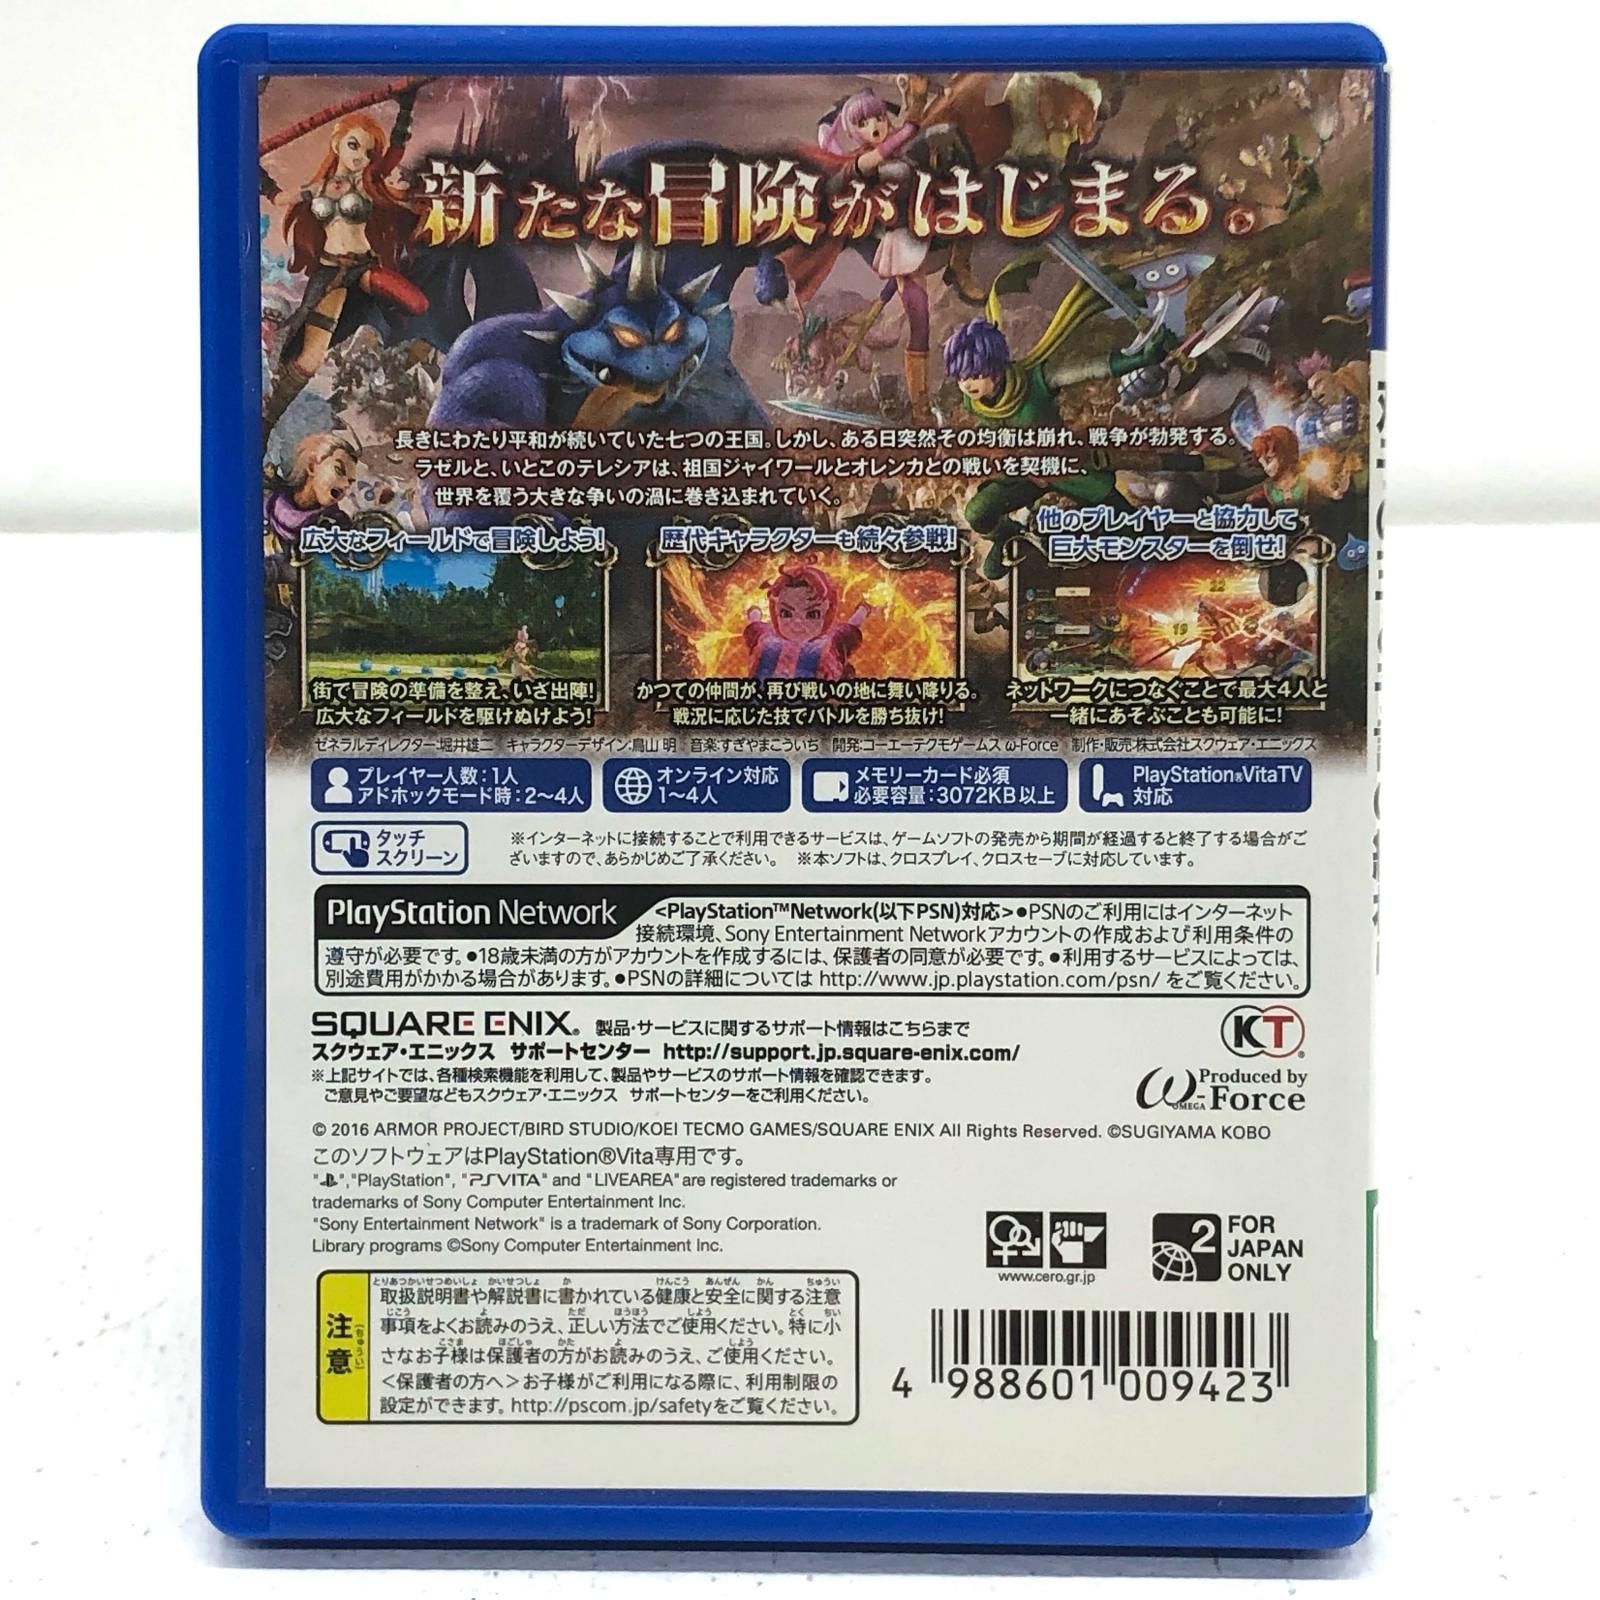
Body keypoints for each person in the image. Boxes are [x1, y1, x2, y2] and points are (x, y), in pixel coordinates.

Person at [264, 90, 428, 439]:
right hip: (328, 276)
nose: (361, 157)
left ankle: (381, 315)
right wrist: (254, 169)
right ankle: (265, 423)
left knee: (416, 303)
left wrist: (406, 105)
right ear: (336, 142)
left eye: (368, 152)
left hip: (362, 268)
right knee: (308, 360)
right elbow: (279, 198)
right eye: (354, 146)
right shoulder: (318, 189)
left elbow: (395, 153)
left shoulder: (368, 184)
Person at [263, 432, 360, 613]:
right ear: (312, 466)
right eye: (339, 471)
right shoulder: (264, 503)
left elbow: (329, 577)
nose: (346, 485)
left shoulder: (337, 526)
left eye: (350, 481)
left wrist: (275, 570)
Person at [743, 562, 873, 681]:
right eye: (786, 613)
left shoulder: (832, 638)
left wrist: (864, 608)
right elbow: (755, 623)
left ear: (827, 612)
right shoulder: (766, 638)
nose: (797, 623)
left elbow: (852, 626)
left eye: (812, 614)